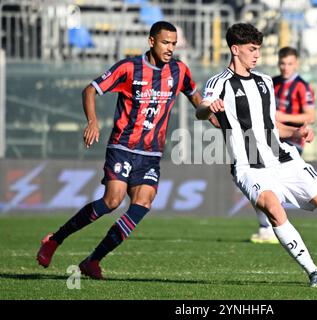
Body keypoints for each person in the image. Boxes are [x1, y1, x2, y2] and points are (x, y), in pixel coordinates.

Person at [196, 23, 317, 287]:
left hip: (285, 159)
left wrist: (296, 132)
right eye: (252, 50)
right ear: (235, 49)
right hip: (249, 166)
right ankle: (313, 271)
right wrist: (209, 109)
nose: (257, 55)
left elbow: (270, 125)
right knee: (273, 209)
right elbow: (202, 110)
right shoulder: (219, 83)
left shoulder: (264, 82)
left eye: (259, 50)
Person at [36, 21, 217, 280]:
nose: (170, 48)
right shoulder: (129, 67)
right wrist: (92, 121)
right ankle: (55, 239)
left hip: (152, 152)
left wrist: (213, 116)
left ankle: (92, 261)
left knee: (143, 202)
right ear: (151, 41)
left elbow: (198, 102)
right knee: (112, 200)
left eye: (174, 44)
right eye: (166, 42)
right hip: (123, 145)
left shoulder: (180, 71)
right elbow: (90, 90)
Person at [251, 46, 317, 244]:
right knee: (258, 178)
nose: (285, 67)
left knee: (272, 182)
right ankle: (266, 227)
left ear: (296, 64)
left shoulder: (301, 86)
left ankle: (274, 226)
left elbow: (310, 116)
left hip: (293, 140)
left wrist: (282, 117)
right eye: (282, 63)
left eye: (289, 64)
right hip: (270, 136)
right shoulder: (271, 83)